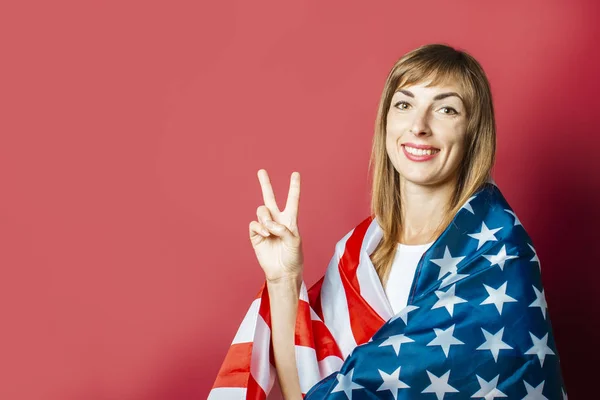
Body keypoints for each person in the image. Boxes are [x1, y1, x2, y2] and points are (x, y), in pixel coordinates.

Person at [209, 43, 566, 399]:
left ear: (473, 132)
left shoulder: (500, 257)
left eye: (445, 109)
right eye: (405, 104)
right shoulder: (358, 255)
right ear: (385, 120)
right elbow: (305, 394)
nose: (419, 126)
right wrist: (283, 277)